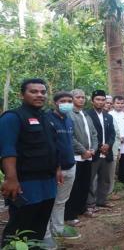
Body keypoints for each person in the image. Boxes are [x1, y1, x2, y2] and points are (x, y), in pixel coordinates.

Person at [0, 79, 62, 247]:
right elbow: (7, 149)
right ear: (22, 95)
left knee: (38, 228)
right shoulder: (12, 117)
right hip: (26, 184)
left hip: (48, 183)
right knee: (19, 228)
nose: (39, 95)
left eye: (42, 92)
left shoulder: (46, 118)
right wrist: (11, 179)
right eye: (33, 92)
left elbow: (52, 147)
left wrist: (57, 168)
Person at [43, 92, 81, 248]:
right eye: (63, 101)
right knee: (47, 202)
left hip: (70, 166)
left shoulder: (69, 120)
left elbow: (69, 143)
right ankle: (45, 235)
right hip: (53, 169)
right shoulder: (47, 120)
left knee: (61, 201)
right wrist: (56, 166)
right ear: (55, 103)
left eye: (69, 101)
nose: (67, 103)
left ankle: (58, 228)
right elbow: (49, 146)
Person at [65, 89, 98, 226]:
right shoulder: (68, 114)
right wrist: (83, 150)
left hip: (88, 156)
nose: (81, 99)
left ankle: (81, 209)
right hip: (76, 157)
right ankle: (70, 215)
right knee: (74, 187)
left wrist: (93, 149)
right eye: (78, 97)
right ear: (72, 99)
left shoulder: (86, 114)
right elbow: (69, 137)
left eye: (83, 97)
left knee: (85, 184)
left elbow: (94, 134)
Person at [86, 90, 116, 209]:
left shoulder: (108, 116)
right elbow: (88, 134)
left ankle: (102, 201)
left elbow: (112, 134)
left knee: (105, 179)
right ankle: (90, 203)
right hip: (94, 152)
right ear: (92, 101)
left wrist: (108, 145)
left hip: (107, 152)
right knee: (90, 179)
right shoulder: (87, 115)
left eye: (103, 100)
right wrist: (99, 146)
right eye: (98, 99)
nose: (100, 102)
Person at [110, 96, 124, 188]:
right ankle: (110, 183)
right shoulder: (109, 115)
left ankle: (123, 181)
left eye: (121, 103)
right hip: (112, 144)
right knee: (112, 164)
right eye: (117, 103)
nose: (120, 105)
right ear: (113, 104)